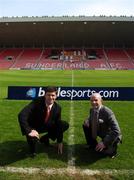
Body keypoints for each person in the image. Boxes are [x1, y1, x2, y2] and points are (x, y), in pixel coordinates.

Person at [18, 86, 69, 157]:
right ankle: (32, 151)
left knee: (64, 124)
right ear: (44, 95)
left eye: (53, 95)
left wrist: (59, 141)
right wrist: (29, 130)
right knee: (33, 146)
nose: (51, 97)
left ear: (56, 96)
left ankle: (45, 138)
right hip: (34, 126)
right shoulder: (36, 102)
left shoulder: (58, 108)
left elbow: (59, 124)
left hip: (47, 125)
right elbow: (22, 114)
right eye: (48, 95)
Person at [83, 93, 122, 158]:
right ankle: (92, 144)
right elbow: (91, 117)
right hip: (102, 132)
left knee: (106, 153)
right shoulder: (92, 109)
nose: (93, 102)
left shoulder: (108, 112)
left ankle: (113, 149)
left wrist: (104, 143)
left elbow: (116, 130)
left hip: (111, 135)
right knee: (85, 125)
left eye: (96, 100)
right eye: (91, 100)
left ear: (101, 101)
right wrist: (87, 120)